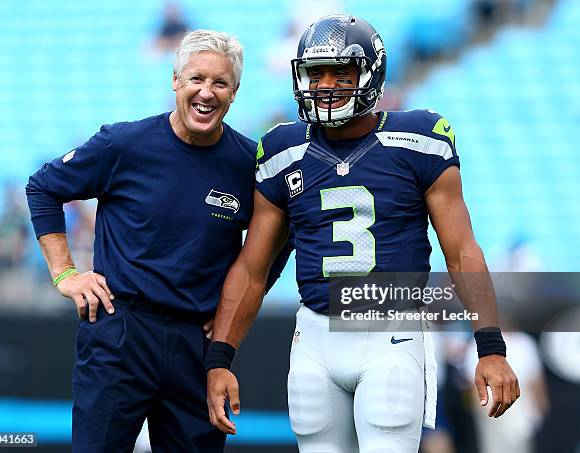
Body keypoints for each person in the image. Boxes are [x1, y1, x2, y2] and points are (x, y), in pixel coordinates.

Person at [205, 14, 520, 453]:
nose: (327, 84)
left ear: (370, 75)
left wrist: (490, 347)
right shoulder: (281, 150)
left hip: (390, 332)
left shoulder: (419, 138)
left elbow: (462, 253)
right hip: (313, 334)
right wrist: (221, 358)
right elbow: (254, 269)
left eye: (341, 72)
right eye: (317, 73)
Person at [26, 29, 289, 452]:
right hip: (120, 331)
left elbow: (278, 238)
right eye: (196, 79)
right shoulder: (122, 144)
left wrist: (233, 304)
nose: (207, 92)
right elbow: (43, 187)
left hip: (197, 347)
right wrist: (65, 273)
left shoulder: (249, 164)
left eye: (220, 83)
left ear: (235, 92)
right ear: (175, 81)